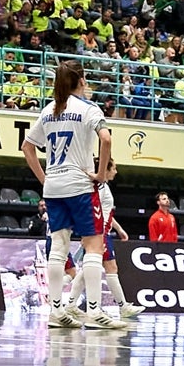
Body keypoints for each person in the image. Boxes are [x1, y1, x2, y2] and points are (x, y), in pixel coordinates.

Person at [22, 59, 126, 330]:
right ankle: (93, 311)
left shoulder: (48, 111)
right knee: (93, 245)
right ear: (81, 80)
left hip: (54, 186)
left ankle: (56, 311)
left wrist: (45, 179)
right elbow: (106, 139)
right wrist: (102, 174)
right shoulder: (88, 108)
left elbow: (27, 147)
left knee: (58, 248)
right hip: (79, 185)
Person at [65, 158, 145, 319]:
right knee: (111, 268)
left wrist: (119, 229)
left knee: (87, 270)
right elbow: (90, 210)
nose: (116, 171)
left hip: (102, 232)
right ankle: (122, 307)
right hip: (99, 234)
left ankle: (71, 305)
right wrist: (89, 233)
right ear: (105, 169)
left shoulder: (104, 187)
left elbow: (105, 212)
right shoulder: (99, 187)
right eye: (114, 168)